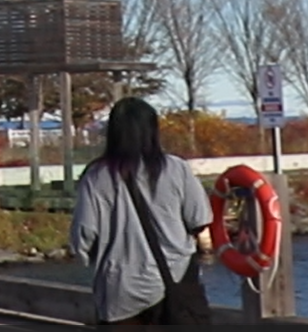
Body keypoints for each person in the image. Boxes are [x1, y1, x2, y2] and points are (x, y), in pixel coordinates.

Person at [70, 97, 214, 324]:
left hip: (120, 290)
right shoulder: (176, 169)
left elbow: (84, 237)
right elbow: (199, 219)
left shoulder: (96, 176)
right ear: (152, 130)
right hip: (176, 282)